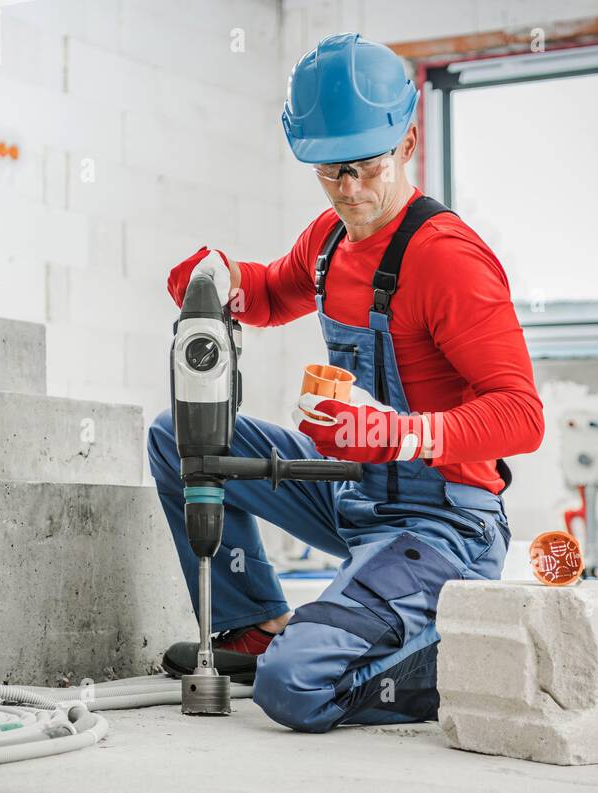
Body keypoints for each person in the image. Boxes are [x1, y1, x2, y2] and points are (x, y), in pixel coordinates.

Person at [148, 32, 543, 732]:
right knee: (175, 433)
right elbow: (274, 292)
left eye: (365, 168)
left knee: (294, 686)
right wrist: (223, 279)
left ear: (409, 141)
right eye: (330, 172)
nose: (349, 190)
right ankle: (254, 627)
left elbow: (522, 415)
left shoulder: (448, 260)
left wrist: (405, 432)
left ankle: (468, 659)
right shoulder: (330, 241)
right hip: (352, 488)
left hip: (442, 520)